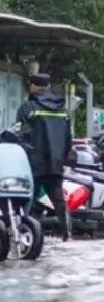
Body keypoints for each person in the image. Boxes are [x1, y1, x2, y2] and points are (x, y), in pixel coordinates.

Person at [15, 72, 71, 241]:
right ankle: (66, 234)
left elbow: (20, 136)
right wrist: (62, 158)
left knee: (28, 199)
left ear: (33, 86)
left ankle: (25, 234)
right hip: (56, 163)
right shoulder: (62, 110)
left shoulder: (28, 108)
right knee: (58, 200)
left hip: (33, 163)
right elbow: (69, 139)